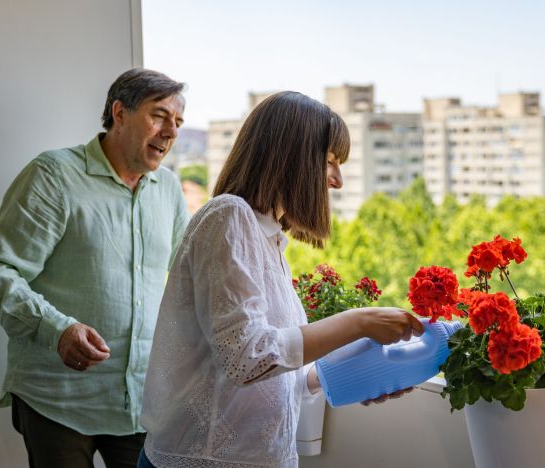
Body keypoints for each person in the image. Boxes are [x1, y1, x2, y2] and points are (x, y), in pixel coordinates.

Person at [138, 91, 424, 468]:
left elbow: (270, 375)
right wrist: (359, 321)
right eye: (329, 162)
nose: (336, 180)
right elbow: (246, 358)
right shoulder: (228, 217)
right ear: (292, 157)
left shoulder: (268, 238)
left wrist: (344, 375)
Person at [0, 68, 191, 468]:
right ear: (119, 113)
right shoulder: (54, 176)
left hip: (141, 404)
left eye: (177, 122)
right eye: (159, 115)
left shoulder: (169, 190)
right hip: (58, 400)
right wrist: (58, 329)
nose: (170, 131)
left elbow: (190, 280)